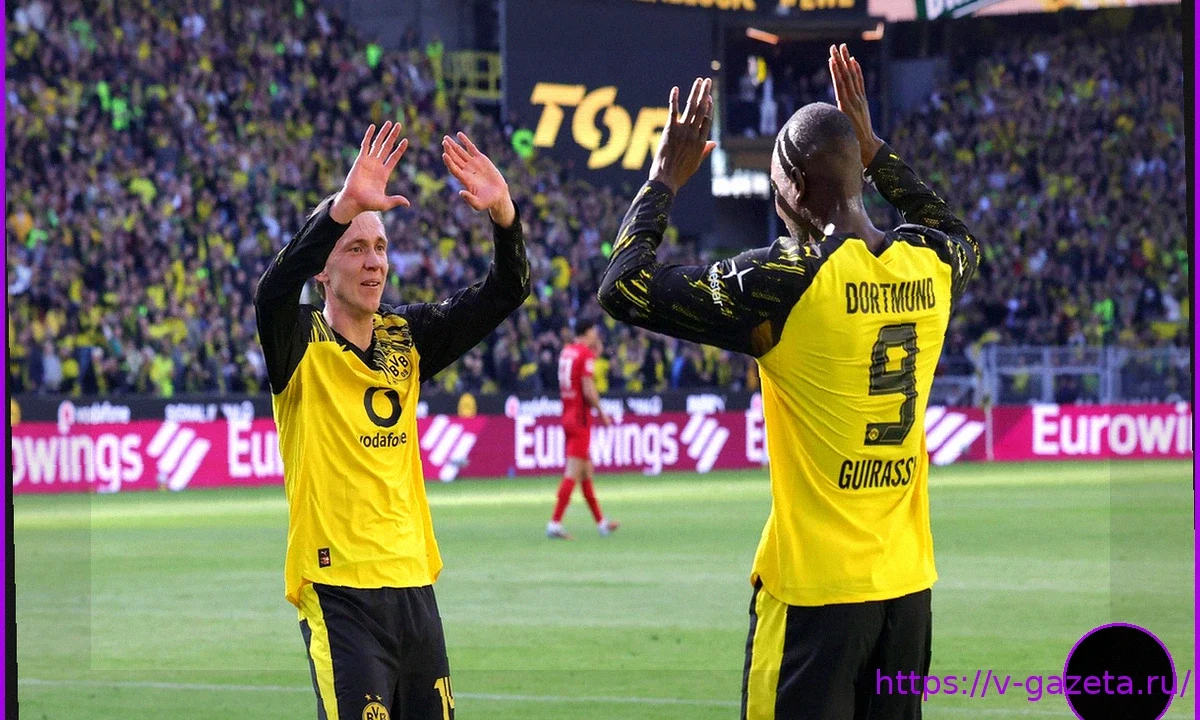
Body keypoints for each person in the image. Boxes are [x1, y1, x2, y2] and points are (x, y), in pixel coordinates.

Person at [598, 45, 979, 720]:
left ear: (797, 186)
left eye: (775, 185)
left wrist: (662, 180)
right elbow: (956, 230)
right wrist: (874, 150)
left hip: (814, 596)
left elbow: (622, 287)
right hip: (906, 593)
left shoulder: (788, 278)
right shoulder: (931, 263)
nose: (775, 201)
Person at [254, 120, 530, 720]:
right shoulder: (297, 342)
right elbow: (271, 292)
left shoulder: (407, 335)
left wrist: (505, 217)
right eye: (355, 249)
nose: (374, 262)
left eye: (379, 248)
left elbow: (506, 292)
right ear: (322, 270)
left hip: (413, 584)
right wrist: (341, 209)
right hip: (340, 593)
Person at [547, 319, 618, 540]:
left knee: (586, 473)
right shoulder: (584, 354)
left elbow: (578, 372)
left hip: (567, 415)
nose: (596, 335)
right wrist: (602, 413)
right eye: (594, 332)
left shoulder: (567, 352)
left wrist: (596, 351)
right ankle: (555, 523)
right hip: (580, 420)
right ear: (587, 332)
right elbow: (588, 390)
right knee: (572, 473)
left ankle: (602, 524)